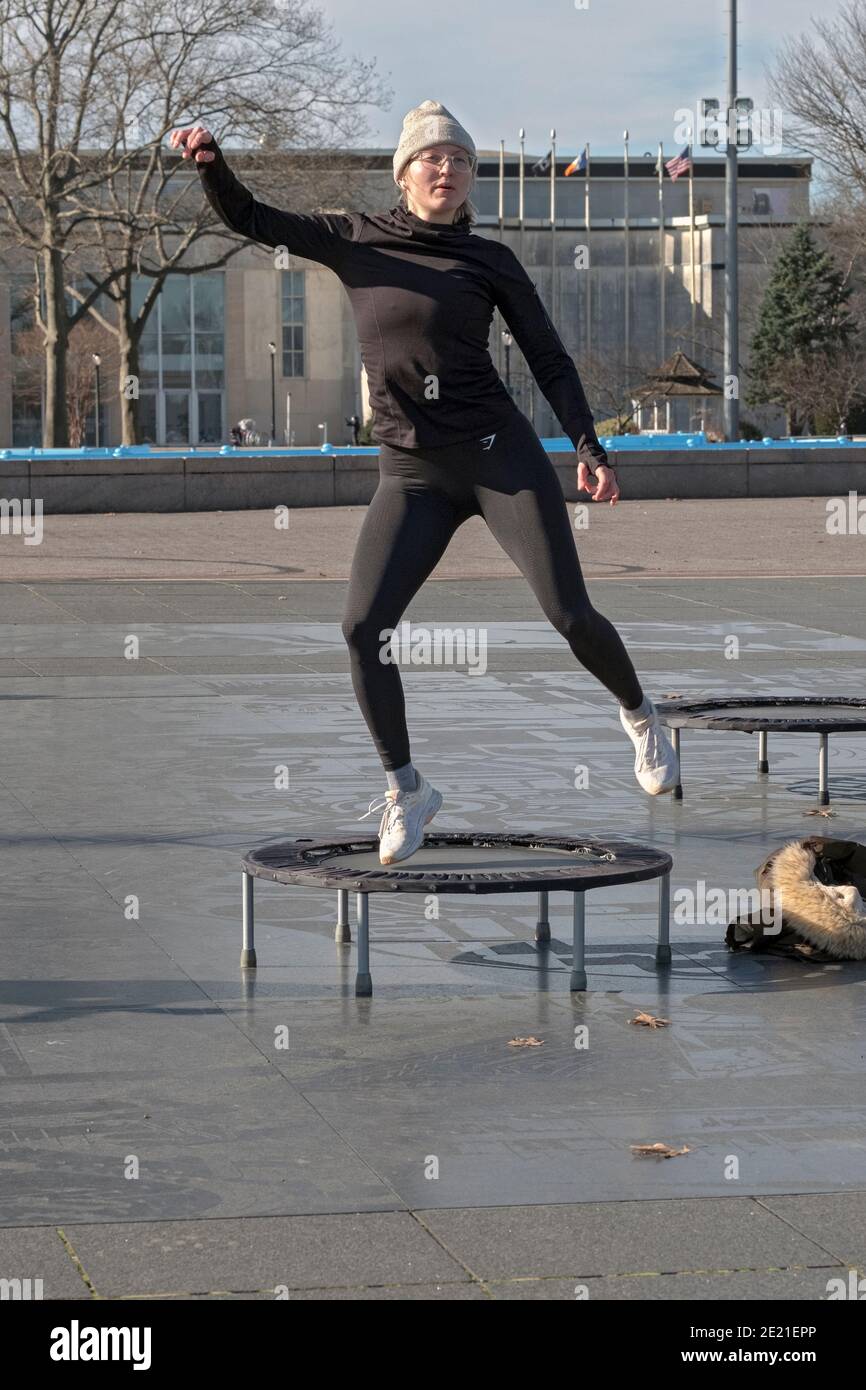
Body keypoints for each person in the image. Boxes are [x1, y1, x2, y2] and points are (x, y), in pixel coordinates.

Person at [171, 101, 678, 867]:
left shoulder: (489, 260)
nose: (446, 170)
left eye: (459, 161)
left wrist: (589, 445)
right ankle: (408, 789)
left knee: (570, 613)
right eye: (431, 159)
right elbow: (252, 218)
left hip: (496, 455)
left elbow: (548, 357)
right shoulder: (354, 238)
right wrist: (213, 165)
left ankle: (641, 716)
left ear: (470, 178)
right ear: (404, 174)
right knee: (361, 627)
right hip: (410, 472)